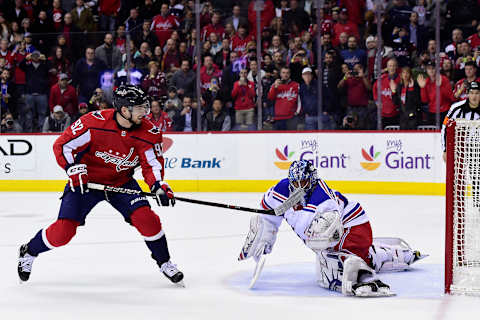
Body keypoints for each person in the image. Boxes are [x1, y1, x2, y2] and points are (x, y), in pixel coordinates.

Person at [18, 85, 184, 285]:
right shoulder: (93, 123)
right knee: (63, 232)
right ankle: (29, 251)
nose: (145, 112)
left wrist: (158, 185)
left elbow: (152, 164)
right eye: (140, 108)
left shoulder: (149, 131)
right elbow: (63, 145)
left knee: (147, 219)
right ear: (124, 110)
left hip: (121, 182)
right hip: (86, 183)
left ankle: (165, 262)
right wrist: (73, 169)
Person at [238, 160, 426, 297]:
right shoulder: (282, 188)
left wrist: (288, 207)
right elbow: (266, 212)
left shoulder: (323, 197)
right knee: (344, 256)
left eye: (303, 183)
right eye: (295, 182)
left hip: (353, 227)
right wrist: (264, 234)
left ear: (311, 180)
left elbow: (316, 235)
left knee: (330, 268)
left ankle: (364, 277)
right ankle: (394, 255)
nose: (297, 187)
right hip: (341, 232)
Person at [441, 81, 480, 162]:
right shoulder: (456, 108)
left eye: (477, 93)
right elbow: (445, 127)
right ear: (467, 94)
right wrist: (445, 149)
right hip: (461, 151)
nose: (474, 96)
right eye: (471, 93)